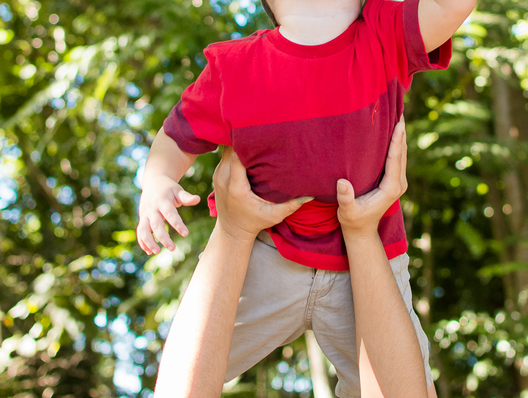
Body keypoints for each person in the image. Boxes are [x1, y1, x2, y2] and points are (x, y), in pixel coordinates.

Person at [138, 0, 477, 398]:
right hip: (267, 253)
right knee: (179, 387)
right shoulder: (233, 67)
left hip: (368, 258)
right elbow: (174, 139)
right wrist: (156, 182)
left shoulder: (387, 35)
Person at [155, 118, 429, 398]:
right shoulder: (241, 73)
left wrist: (363, 235)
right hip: (265, 243)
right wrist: (161, 180)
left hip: (362, 246)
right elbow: (184, 124)